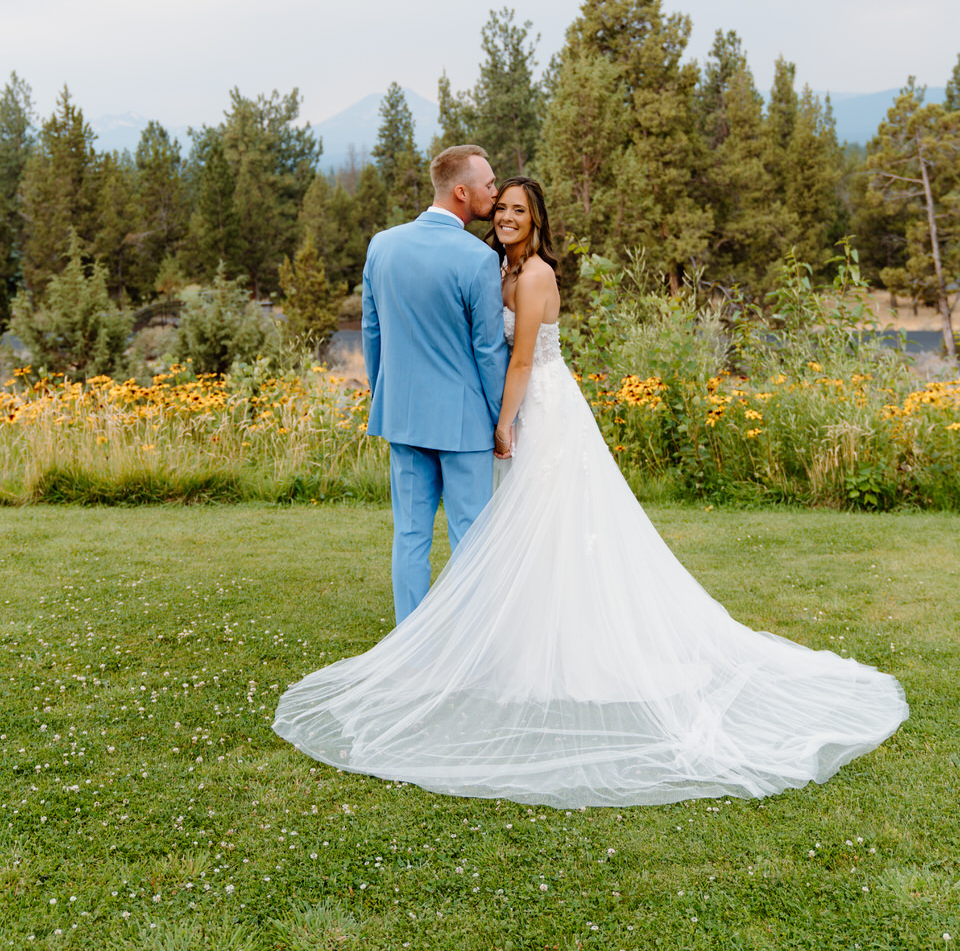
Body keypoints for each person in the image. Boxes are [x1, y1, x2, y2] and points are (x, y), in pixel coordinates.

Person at [274, 178, 908, 808]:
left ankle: (530, 642)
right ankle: (485, 640)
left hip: (539, 411)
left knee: (543, 527)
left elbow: (520, 360)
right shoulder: (492, 266)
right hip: (507, 409)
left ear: (538, 220)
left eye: (519, 211)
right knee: (513, 532)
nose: (506, 218)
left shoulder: (535, 275)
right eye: (501, 209)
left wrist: (501, 421)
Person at [360, 144, 509, 624]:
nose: (495, 190)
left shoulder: (382, 244)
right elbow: (488, 351)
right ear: (462, 192)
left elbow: (372, 331)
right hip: (464, 422)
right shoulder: (477, 259)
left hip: (402, 416)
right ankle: (465, 647)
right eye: (488, 184)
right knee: (470, 537)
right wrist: (500, 417)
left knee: (409, 535)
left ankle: (410, 645)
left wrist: (384, 392)